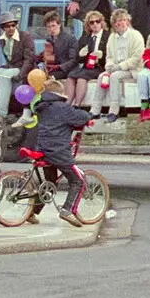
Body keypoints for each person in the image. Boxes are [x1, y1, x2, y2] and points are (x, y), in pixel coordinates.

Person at [26, 77, 94, 226]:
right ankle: (68, 210)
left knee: (51, 183)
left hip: (43, 149)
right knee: (78, 180)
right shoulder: (62, 108)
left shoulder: (42, 107)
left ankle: (31, 212)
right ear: (60, 95)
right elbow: (79, 117)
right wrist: (89, 116)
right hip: (58, 151)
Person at [88, 9, 144, 125]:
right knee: (101, 76)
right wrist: (109, 66)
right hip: (115, 68)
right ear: (114, 24)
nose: (121, 23)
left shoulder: (136, 35)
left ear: (127, 22)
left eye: (123, 20)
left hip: (132, 69)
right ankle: (95, 109)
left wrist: (119, 67)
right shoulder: (112, 37)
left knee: (114, 76)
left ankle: (114, 110)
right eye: (118, 21)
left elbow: (137, 58)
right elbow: (109, 56)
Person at [68, 10, 109, 107]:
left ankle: (77, 104)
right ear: (88, 25)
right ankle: (67, 104)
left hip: (101, 67)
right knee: (71, 77)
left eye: (97, 21)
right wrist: (81, 55)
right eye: (92, 22)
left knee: (82, 78)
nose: (95, 24)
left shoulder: (108, 37)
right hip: (87, 67)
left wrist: (102, 56)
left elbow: (112, 55)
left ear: (101, 22)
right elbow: (77, 58)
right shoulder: (85, 37)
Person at [38, 11, 77, 89]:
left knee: (45, 79)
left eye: (53, 25)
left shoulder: (70, 38)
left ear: (59, 24)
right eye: (48, 27)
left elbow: (74, 60)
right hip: (54, 69)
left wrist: (59, 66)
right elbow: (50, 55)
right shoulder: (49, 39)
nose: (51, 29)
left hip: (67, 70)